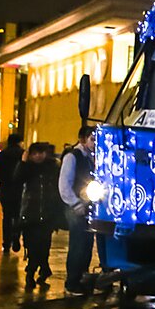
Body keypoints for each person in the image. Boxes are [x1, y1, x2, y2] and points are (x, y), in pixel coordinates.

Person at [17, 142, 62, 289]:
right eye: (34, 153)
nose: (38, 156)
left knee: (43, 246)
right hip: (30, 215)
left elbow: (57, 189)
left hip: (47, 216)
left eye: (40, 152)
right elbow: (16, 179)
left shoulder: (52, 168)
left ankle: (32, 273)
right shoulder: (27, 168)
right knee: (31, 246)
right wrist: (22, 163)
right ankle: (41, 269)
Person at [58, 126, 96, 295]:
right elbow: (64, 184)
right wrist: (75, 203)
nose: (95, 143)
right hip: (75, 207)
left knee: (87, 243)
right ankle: (72, 282)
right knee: (78, 244)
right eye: (92, 139)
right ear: (82, 139)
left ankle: (82, 277)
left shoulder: (92, 157)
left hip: (87, 206)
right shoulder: (73, 157)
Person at [0, 133, 25, 253]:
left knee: (7, 217)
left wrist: (3, 178)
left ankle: (6, 243)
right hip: (20, 190)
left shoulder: (2, 155)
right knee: (18, 215)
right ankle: (16, 236)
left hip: (5, 190)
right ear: (19, 142)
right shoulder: (23, 154)